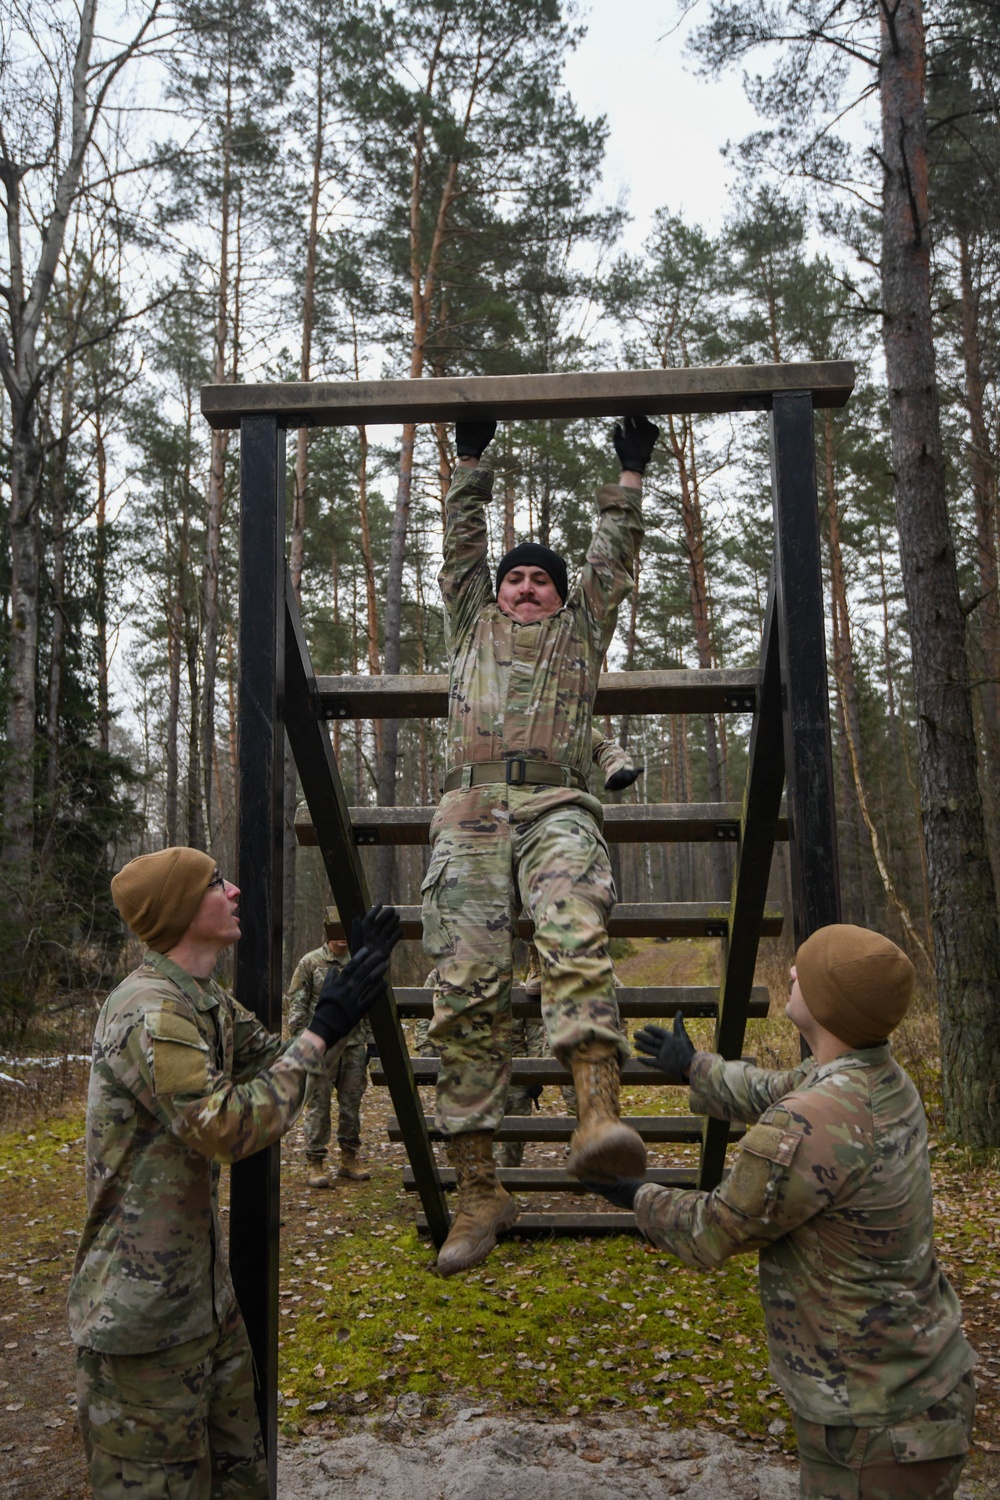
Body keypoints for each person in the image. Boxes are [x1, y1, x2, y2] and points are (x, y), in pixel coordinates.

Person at [586, 923, 976, 1500]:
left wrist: (632, 1193)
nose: (791, 973)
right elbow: (778, 1088)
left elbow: (712, 1231)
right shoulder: (877, 1079)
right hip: (912, 1388)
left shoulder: (812, 1119)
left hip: (875, 1424)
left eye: (805, 970)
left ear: (829, 1005)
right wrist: (695, 1066)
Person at [67, 846, 400, 1499]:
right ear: (183, 910)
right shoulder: (151, 1011)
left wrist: (349, 984)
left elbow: (277, 1065)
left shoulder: (202, 1002)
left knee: (240, 1478)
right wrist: (321, 1031)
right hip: (142, 1327)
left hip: (201, 1306)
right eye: (218, 883)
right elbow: (228, 1127)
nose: (236, 890)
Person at [422, 412, 659, 1275]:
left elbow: (612, 558)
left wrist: (628, 474)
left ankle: (597, 1112)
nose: (524, 587)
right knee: (464, 987)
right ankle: (479, 1188)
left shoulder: (579, 631)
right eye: (515, 578)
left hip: (558, 800)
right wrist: (470, 461)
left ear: (560, 597)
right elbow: (459, 547)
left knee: (571, 925)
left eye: (539, 580)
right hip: (471, 813)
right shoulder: (469, 625)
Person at [286, 906, 373, 1187]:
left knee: (351, 1104)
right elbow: (297, 1006)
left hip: (355, 1044)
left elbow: (370, 1007)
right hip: (320, 1048)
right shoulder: (310, 963)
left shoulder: (360, 963)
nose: (341, 938)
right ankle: (315, 1162)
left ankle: (349, 1158)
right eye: (335, 930)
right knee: (318, 1104)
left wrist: (372, 1043)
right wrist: (300, 1045)